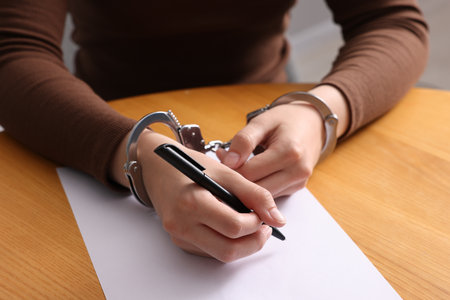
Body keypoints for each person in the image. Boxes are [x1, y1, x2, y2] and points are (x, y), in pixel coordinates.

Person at [0, 0, 428, 262]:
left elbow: (393, 23)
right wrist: (136, 156)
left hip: (268, 108)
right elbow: (14, 53)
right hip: (94, 118)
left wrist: (321, 111)